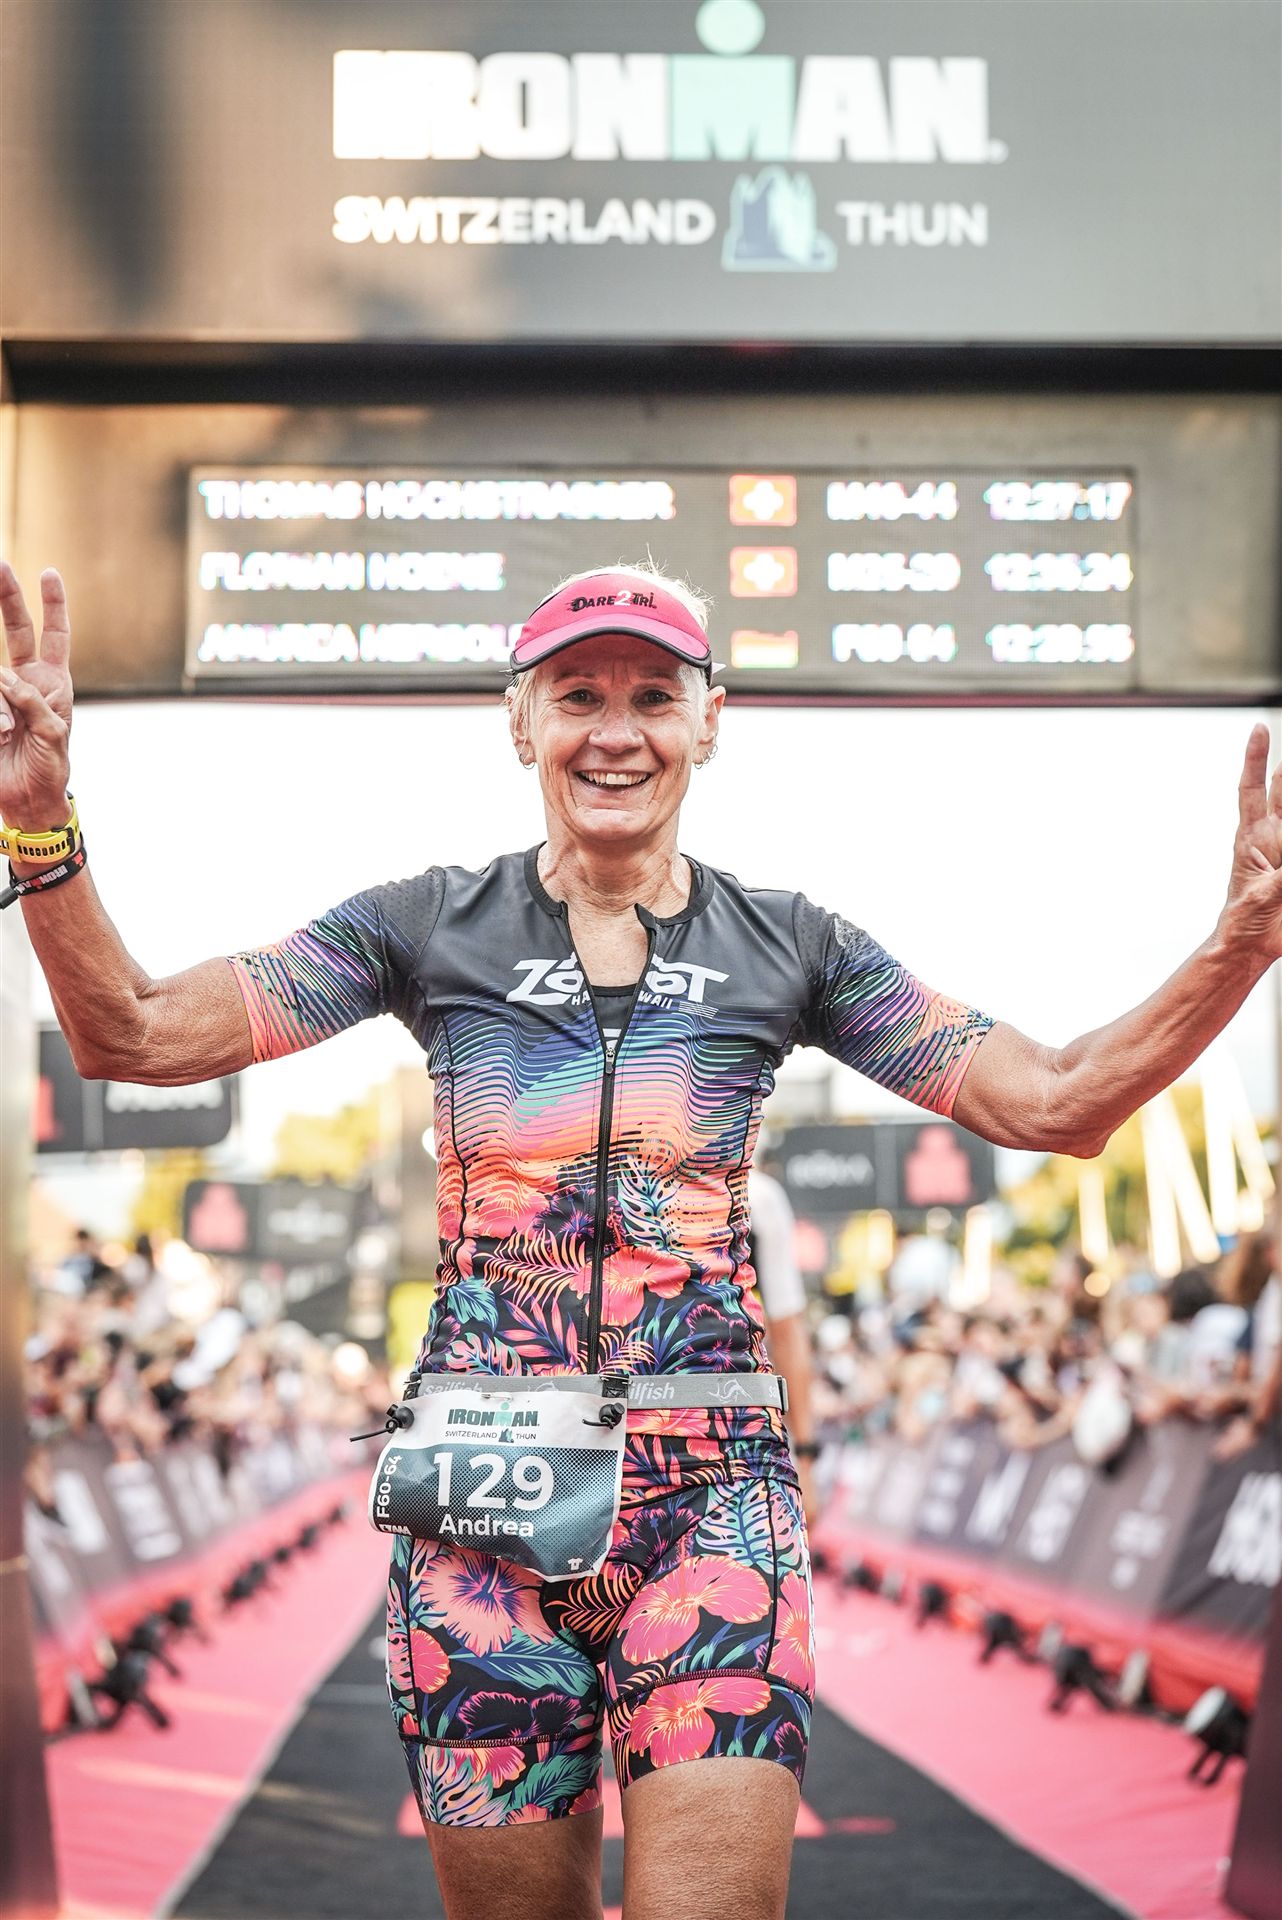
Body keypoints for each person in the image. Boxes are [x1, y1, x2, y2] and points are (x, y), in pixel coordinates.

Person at [5, 555, 1282, 1920]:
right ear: (519, 724)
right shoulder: (425, 924)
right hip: (481, 1509)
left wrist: (1244, 941)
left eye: (652, 697)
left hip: (712, 1498)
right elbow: (130, 1033)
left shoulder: (789, 943)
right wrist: (36, 827)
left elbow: (1053, 1102)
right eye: (577, 696)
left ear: (709, 722)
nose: (614, 732)